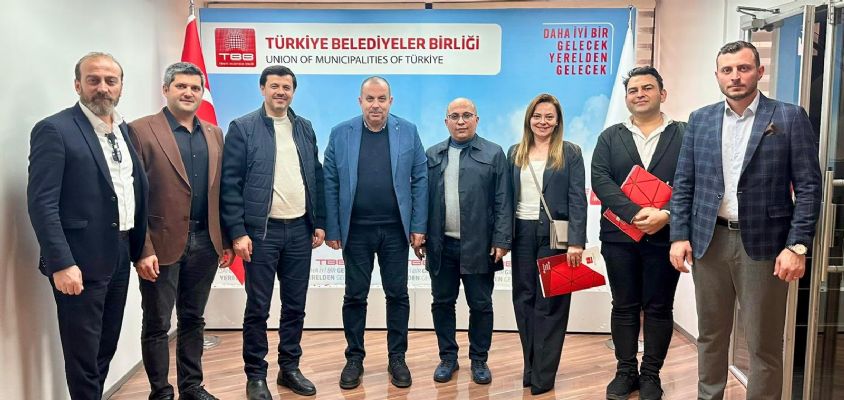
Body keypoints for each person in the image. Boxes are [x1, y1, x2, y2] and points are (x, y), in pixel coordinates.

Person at [669, 40, 822, 400]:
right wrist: (678, 235)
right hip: (710, 241)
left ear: (759, 71)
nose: (735, 76)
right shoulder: (700, 119)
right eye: (727, 70)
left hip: (766, 247)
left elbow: (809, 187)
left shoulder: (789, 117)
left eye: (743, 68)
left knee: (763, 343)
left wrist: (797, 246)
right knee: (710, 336)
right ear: (717, 75)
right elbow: (684, 182)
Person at [27, 52, 148, 400]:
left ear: (121, 86)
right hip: (78, 260)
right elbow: (42, 203)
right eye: (93, 80)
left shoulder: (123, 130)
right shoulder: (55, 130)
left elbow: (129, 191)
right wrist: (61, 263)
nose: (103, 88)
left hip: (120, 253)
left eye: (111, 80)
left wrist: (140, 248)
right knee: (82, 353)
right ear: (78, 85)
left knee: (105, 346)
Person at [128, 62, 234, 400]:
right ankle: (161, 391)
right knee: (157, 323)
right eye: (181, 86)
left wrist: (225, 239)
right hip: (160, 246)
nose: (188, 92)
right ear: (166, 90)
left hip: (205, 242)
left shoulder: (214, 133)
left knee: (193, 318)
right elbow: (134, 196)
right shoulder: (140, 130)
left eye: (195, 88)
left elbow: (220, 191)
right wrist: (142, 248)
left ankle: (191, 386)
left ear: (202, 93)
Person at [221, 65, 325, 399]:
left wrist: (319, 221)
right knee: (258, 308)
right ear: (262, 89)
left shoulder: (304, 127)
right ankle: (255, 375)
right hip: (260, 234)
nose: (281, 92)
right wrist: (237, 232)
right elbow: (230, 184)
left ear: (293, 92)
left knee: (295, 306)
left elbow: (316, 176)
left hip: (300, 230)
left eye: (287, 87)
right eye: (275, 86)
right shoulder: (243, 128)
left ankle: (289, 368)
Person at [323, 76, 427, 389]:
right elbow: (330, 181)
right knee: (355, 295)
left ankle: (397, 358)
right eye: (370, 99)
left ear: (390, 101)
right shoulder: (340, 133)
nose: (376, 105)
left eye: (382, 99)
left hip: (396, 231)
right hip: (355, 231)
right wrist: (333, 227)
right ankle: (354, 358)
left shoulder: (408, 131)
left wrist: (418, 225)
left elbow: (420, 178)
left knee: (398, 295)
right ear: (360, 101)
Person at [591, 66, 685, 400]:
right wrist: (635, 214)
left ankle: (651, 375)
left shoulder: (684, 134)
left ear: (662, 94)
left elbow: (693, 181)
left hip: (666, 237)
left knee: (659, 307)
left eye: (647, 88)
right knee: (624, 305)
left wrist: (666, 215)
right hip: (619, 238)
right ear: (627, 98)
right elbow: (601, 180)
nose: (640, 94)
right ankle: (625, 370)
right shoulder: (610, 137)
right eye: (633, 90)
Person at [418, 98, 512, 385]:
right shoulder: (432, 154)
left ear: (477, 119)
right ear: (446, 121)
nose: (461, 121)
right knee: (442, 303)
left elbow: (503, 200)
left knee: (481, 305)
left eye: (467, 115)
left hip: (480, 246)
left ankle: (479, 359)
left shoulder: (494, 153)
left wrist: (501, 239)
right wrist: (418, 232)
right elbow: (421, 198)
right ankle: (448, 358)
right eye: (455, 116)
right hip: (441, 245)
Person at [508, 93, 587, 395]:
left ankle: (544, 374)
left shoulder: (570, 152)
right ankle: (530, 367)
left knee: (551, 304)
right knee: (524, 300)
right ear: (529, 119)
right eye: (537, 116)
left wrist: (576, 242)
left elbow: (577, 198)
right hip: (521, 234)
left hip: (557, 236)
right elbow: (505, 198)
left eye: (549, 117)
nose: (543, 121)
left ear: (557, 121)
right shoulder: (515, 152)